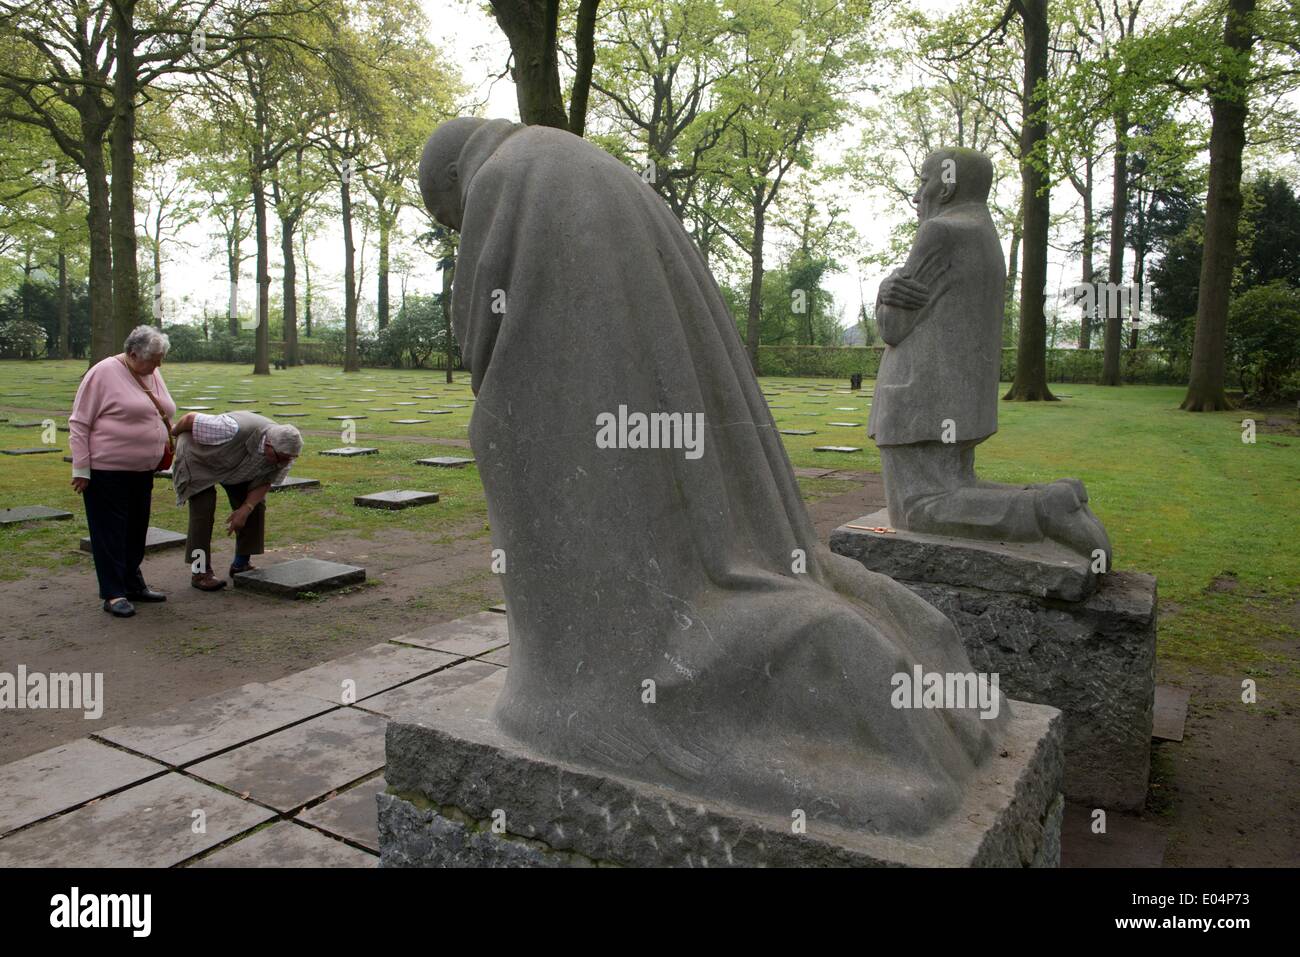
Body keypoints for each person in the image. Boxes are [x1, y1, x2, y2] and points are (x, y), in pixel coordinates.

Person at [415, 117, 1005, 835]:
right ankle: (913, 692)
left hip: (608, 437)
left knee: (654, 645)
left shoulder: (503, 177)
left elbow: (482, 333)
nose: (460, 228)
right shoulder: (580, 162)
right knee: (786, 589)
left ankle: (613, 688)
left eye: (452, 219)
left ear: (452, 181)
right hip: (641, 412)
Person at [869, 147, 1111, 560]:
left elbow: (894, 328)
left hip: (917, 402)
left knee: (916, 509)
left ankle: (1040, 509)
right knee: (954, 488)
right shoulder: (985, 235)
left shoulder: (940, 232)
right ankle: (1055, 497)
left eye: (923, 180)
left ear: (945, 186)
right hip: (958, 401)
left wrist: (885, 290)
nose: (917, 194)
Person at [68, 325, 175, 618]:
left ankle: (132, 583)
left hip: (142, 470)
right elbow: (79, 423)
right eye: (154, 358)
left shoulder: (151, 372)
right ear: (131, 354)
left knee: (136, 529)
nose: (159, 365)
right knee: (110, 532)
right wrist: (81, 468)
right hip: (107, 470)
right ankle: (114, 593)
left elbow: (161, 410)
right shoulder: (102, 373)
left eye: (161, 358)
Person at [171, 411, 302, 591]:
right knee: (203, 511)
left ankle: (241, 564)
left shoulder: (284, 453)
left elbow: (265, 481)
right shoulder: (229, 428)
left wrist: (245, 509)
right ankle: (200, 572)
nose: (284, 463)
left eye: (289, 459)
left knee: (254, 507)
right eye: (281, 458)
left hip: (237, 464)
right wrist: (172, 434)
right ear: (268, 445)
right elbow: (188, 419)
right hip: (199, 458)